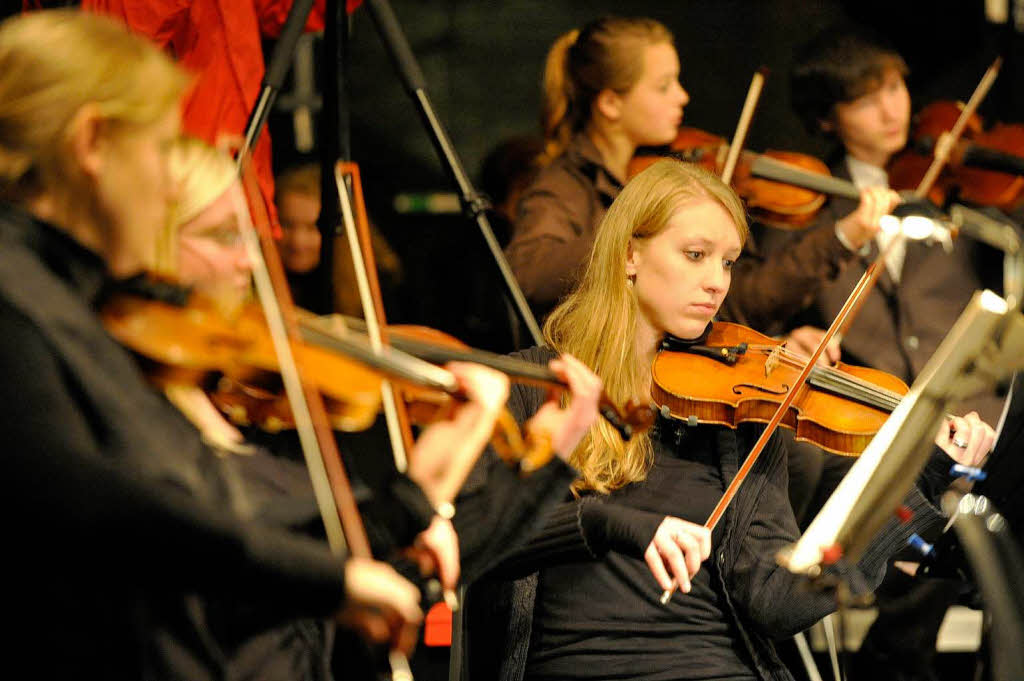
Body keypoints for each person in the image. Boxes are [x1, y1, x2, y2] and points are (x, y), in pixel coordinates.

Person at [0, 11, 585, 679]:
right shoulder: (21, 301)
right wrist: (336, 573)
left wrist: (394, 520)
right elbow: (112, 517)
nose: (165, 181)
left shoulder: (59, 296)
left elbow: (203, 530)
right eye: (160, 148)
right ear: (91, 141)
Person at [464, 158, 992, 681]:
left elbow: (777, 606)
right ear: (629, 253)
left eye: (729, 262)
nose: (717, 283)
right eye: (696, 255)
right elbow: (470, 543)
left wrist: (916, 485)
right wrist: (606, 523)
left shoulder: (739, 413)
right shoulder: (531, 386)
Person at [504, 15, 898, 326]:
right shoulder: (565, 183)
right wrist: (642, 230)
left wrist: (841, 238)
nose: (683, 96)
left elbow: (744, 300)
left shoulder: (681, 167)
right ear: (610, 103)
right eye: (663, 86)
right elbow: (528, 272)